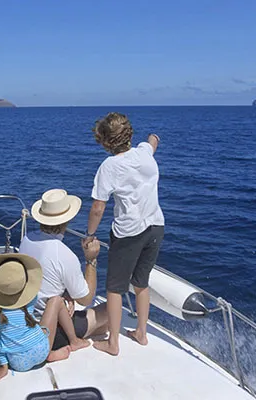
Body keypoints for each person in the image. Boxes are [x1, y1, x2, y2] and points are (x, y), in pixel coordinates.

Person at [86, 112, 165, 356]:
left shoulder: (109, 166)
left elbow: (98, 207)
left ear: (106, 141)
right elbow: (152, 143)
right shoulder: (143, 153)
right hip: (156, 226)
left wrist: (90, 235)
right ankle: (141, 333)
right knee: (141, 282)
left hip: (128, 232)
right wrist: (153, 138)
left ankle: (113, 344)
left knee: (114, 288)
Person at [19, 188, 108, 351]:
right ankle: (80, 336)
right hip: (50, 329)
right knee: (109, 311)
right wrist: (91, 260)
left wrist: (67, 294)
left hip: (26, 320)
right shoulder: (64, 254)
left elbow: (46, 278)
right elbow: (86, 299)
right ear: (67, 220)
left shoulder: (27, 239)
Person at [0, 254, 81, 382]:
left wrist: (4, 366)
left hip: (18, 364)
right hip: (41, 351)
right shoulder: (30, 298)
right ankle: (73, 342)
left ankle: (49, 354)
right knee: (56, 301)